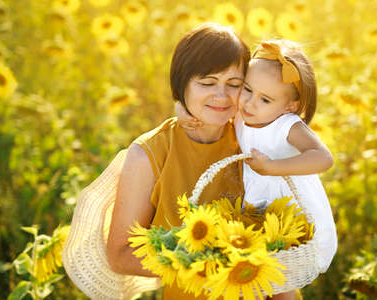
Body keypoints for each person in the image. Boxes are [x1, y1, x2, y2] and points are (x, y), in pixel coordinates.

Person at [176, 39, 337, 300]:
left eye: (265, 99)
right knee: (253, 275)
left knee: (281, 281)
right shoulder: (244, 114)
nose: (250, 103)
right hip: (256, 208)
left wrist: (273, 167)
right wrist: (181, 110)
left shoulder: (287, 125)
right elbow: (207, 107)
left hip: (288, 213)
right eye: (247, 89)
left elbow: (323, 158)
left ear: (290, 106)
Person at [106, 23, 252, 300]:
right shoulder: (150, 154)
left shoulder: (252, 139)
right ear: (181, 83)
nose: (221, 96)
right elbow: (120, 255)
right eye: (207, 83)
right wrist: (205, 267)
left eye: (234, 84)